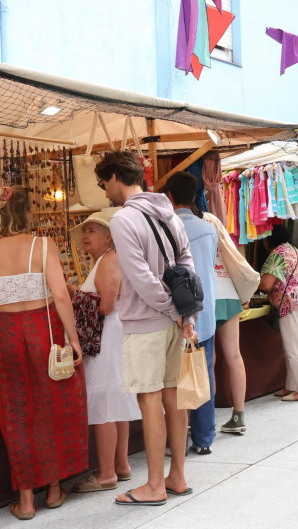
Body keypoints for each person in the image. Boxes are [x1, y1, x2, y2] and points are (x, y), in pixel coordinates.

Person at [0, 186, 87, 520]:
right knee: (52, 407)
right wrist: (73, 338)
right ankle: (53, 490)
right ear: (27, 213)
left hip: (6, 332)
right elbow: (61, 296)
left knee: (16, 412)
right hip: (44, 328)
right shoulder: (42, 244)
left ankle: (25, 501)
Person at [95, 152, 198, 506]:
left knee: (150, 398)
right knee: (173, 395)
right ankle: (177, 476)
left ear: (113, 177)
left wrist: (170, 310)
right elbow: (187, 263)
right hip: (174, 319)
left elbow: (139, 278)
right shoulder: (168, 211)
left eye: (102, 183)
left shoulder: (123, 219)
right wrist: (184, 315)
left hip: (146, 321)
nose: (104, 191)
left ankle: (154, 485)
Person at [69, 209, 141, 494]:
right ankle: (120, 465)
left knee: (104, 406)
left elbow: (106, 306)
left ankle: (107, 473)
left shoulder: (109, 261)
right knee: (115, 403)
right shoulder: (106, 260)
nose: (86, 236)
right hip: (111, 337)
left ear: (109, 237)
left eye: (92, 231)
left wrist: (76, 297)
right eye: (84, 231)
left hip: (106, 338)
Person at [162, 172, 218, 455]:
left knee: (173, 380)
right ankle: (204, 438)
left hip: (174, 314)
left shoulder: (165, 229)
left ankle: (177, 441)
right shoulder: (208, 228)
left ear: (169, 197)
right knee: (202, 373)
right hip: (205, 314)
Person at [201, 210, 260, 435]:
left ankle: (207, 418)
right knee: (234, 355)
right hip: (228, 289)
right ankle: (238, 415)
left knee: (208, 358)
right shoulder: (213, 220)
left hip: (207, 294)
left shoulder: (186, 220)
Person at [259, 224, 298, 401]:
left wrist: (253, 281)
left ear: (268, 239)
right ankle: (292, 386)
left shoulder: (277, 254)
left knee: (294, 348)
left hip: (292, 302)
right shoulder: (292, 250)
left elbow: (266, 285)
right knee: (292, 345)